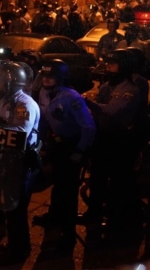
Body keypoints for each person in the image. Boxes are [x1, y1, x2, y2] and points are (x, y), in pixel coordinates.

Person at [32, 60, 96, 253]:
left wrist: (79, 151)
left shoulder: (71, 97)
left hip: (73, 145)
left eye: (51, 77)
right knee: (57, 184)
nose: (46, 80)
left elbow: (88, 127)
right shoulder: (44, 92)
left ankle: (68, 237)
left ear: (60, 79)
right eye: (44, 76)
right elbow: (44, 119)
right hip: (56, 143)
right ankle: (54, 216)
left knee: (68, 192)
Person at [84, 49, 143, 229]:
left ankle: (120, 219)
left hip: (119, 141)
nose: (108, 67)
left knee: (119, 179)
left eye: (113, 64)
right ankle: (94, 212)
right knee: (97, 177)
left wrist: (87, 102)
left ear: (124, 66)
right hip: (102, 138)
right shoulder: (106, 86)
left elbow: (112, 110)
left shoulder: (130, 90)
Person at [0, 62, 40, 265]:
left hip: (21, 161)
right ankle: (15, 245)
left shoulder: (24, 104)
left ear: (11, 80)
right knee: (10, 206)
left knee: (16, 208)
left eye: (1, 78)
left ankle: (18, 251)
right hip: (7, 159)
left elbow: (20, 134)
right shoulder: (5, 100)